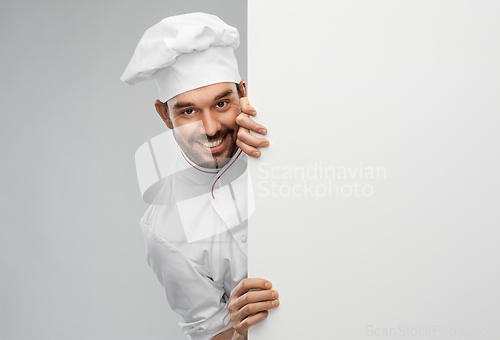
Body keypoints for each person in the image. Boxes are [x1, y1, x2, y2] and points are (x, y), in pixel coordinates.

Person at [121, 13, 279, 340]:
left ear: (243, 93)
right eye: (188, 111)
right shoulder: (165, 229)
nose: (210, 129)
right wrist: (240, 330)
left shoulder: (287, 140)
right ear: (164, 114)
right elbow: (210, 334)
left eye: (222, 103)